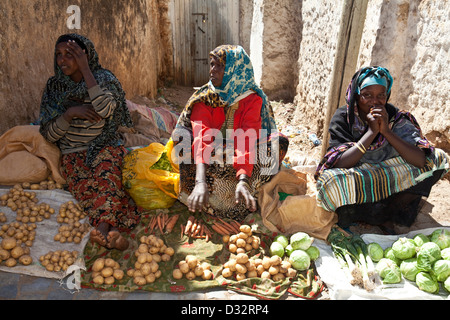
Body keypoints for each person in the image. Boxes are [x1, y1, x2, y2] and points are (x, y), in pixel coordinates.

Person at [38, 33, 142, 250]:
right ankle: (114, 233)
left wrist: (86, 71)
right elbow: (49, 135)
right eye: (58, 54)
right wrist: (70, 113)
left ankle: (103, 228)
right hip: (72, 152)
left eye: (70, 54)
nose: (62, 60)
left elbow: (105, 110)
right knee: (86, 189)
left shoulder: (104, 79)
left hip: (105, 145)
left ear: (85, 56)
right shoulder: (55, 87)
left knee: (108, 178)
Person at [315, 66, 449, 234]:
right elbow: (338, 163)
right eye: (367, 95)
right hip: (361, 179)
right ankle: (361, 213)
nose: (374, 101)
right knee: (331, 180)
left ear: (387, 95)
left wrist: (386, 131)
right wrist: (371, 132)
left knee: (436, 160)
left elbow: (420, 160)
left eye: (381, 95)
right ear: (356, 94)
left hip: (387, 181)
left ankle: (388, 212)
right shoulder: (344, 117)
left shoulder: (394, 116)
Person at [172, 45, 288, 221]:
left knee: (277, 143)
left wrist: (242, 180)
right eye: (211, 64)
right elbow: (202, 137)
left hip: (242, 157)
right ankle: (196, 191)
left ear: (235, 69)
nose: (213, 70)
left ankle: (245, 190)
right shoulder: (205, 97)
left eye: (220, 66)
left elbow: (247, 139)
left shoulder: (252, 98)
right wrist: (200, 181)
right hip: (209, 158)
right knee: (182, 136)